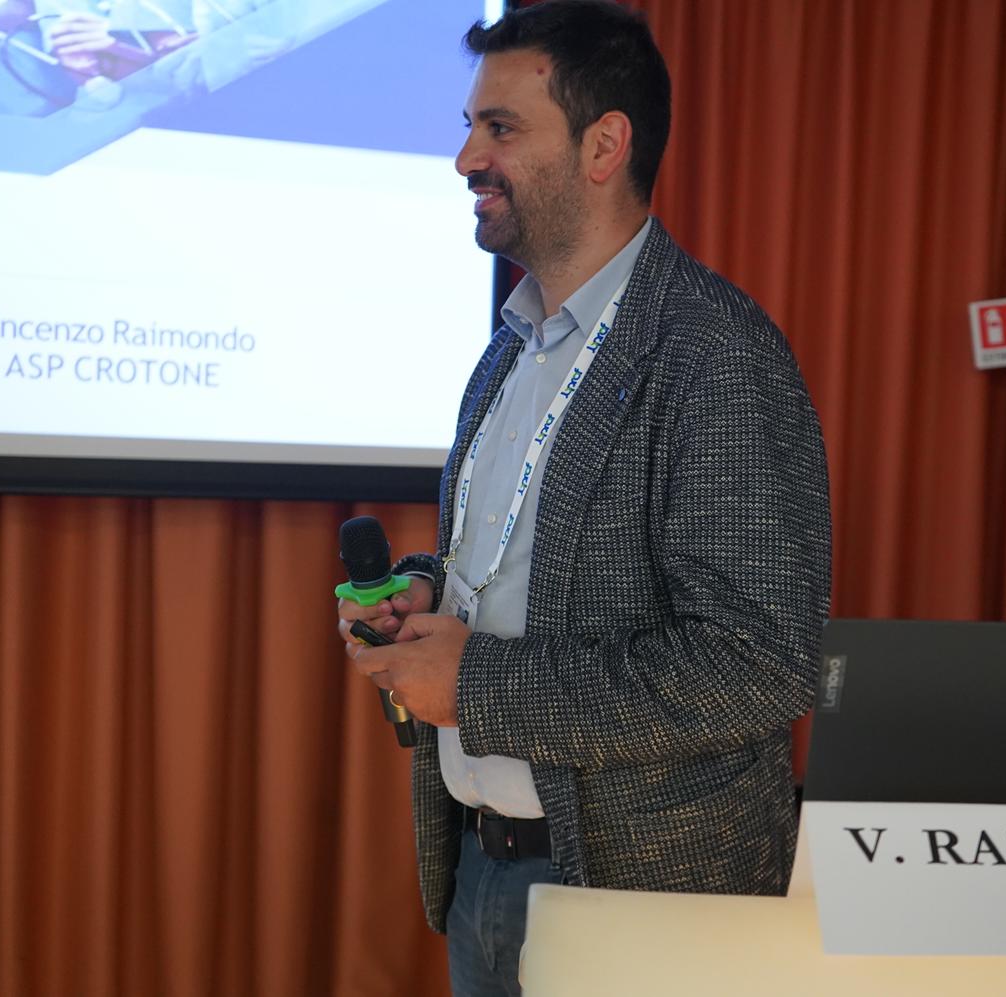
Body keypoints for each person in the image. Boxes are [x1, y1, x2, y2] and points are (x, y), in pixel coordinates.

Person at [338, 2, 831, 993]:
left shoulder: (715, 354)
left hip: (647, 905)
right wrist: (429, 594)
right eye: (470, 127)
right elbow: (519, 566)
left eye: (501, 129)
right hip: (483, 872)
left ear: (605, 145)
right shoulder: (511, 347)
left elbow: (760, 662)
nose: (466, 160)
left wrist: (478, 684)